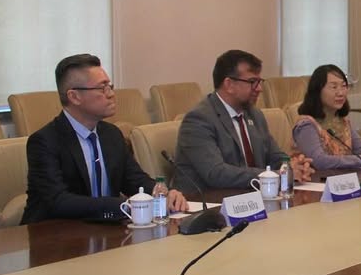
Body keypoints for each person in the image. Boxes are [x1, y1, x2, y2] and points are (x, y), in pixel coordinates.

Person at [23, 54, 187, 224]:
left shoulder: (111, 134)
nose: (111, 94)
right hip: (54, 236)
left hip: (104, 230)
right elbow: (58, 201)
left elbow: (134, 179)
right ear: (74, 96)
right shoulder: (45, 141)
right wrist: (121, 205)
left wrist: (162, 193)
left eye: (110, 86)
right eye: (102, 88)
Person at [174, 50, 312, 193]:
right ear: (229, 85)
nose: (259, 89)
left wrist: (293, 166)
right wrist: (275, 176)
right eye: (252, 82)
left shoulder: (255, 115)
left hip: (251, 198)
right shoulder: (198, 120)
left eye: (259, 82)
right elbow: (216, 173)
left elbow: (274, 156)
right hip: (210, 204)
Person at [292, 64, 361, 173]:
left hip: (342, 182)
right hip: (315, 184)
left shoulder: (342, 121)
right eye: (334, 87)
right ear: (317, 91)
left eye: (344, 86)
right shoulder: (306, 125)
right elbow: (320, 161)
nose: (340, 93)